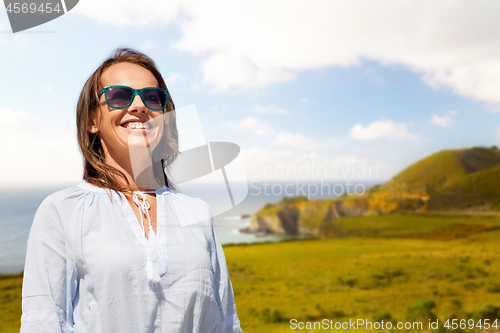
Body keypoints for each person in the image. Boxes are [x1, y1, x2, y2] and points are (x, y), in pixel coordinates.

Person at [20, 48, 242, 333]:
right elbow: (43, 323)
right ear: (92, 121)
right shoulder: (63, 211)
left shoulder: (197, 212)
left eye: (152, 97)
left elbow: (223, 324)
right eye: (119, 95)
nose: (139, 106)